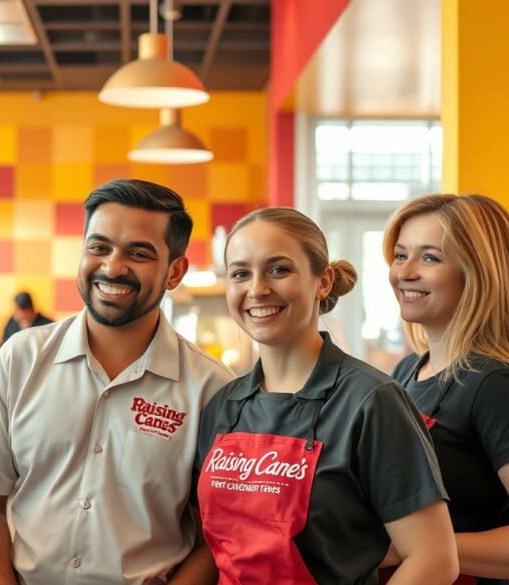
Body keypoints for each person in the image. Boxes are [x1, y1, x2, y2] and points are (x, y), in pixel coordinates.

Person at [0, 179, 234, 584]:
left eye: (138, 253)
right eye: (98, 247)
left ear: (175, 272)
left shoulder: (212, 389)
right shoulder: (21, 359)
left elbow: (216, 535)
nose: (112, 267)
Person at [193, 207, 459, 584]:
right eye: (241, 273)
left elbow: (433, 560)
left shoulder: (371, 401)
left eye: (279, 269)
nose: (257, 289)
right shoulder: (223, 405)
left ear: (323, 281)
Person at [384, 194, 509, 583]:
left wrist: (423, 549)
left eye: (429, 258)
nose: (404, 272)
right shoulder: (409, 370)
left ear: (478, 272)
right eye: (399, 255)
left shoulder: (495, 385)